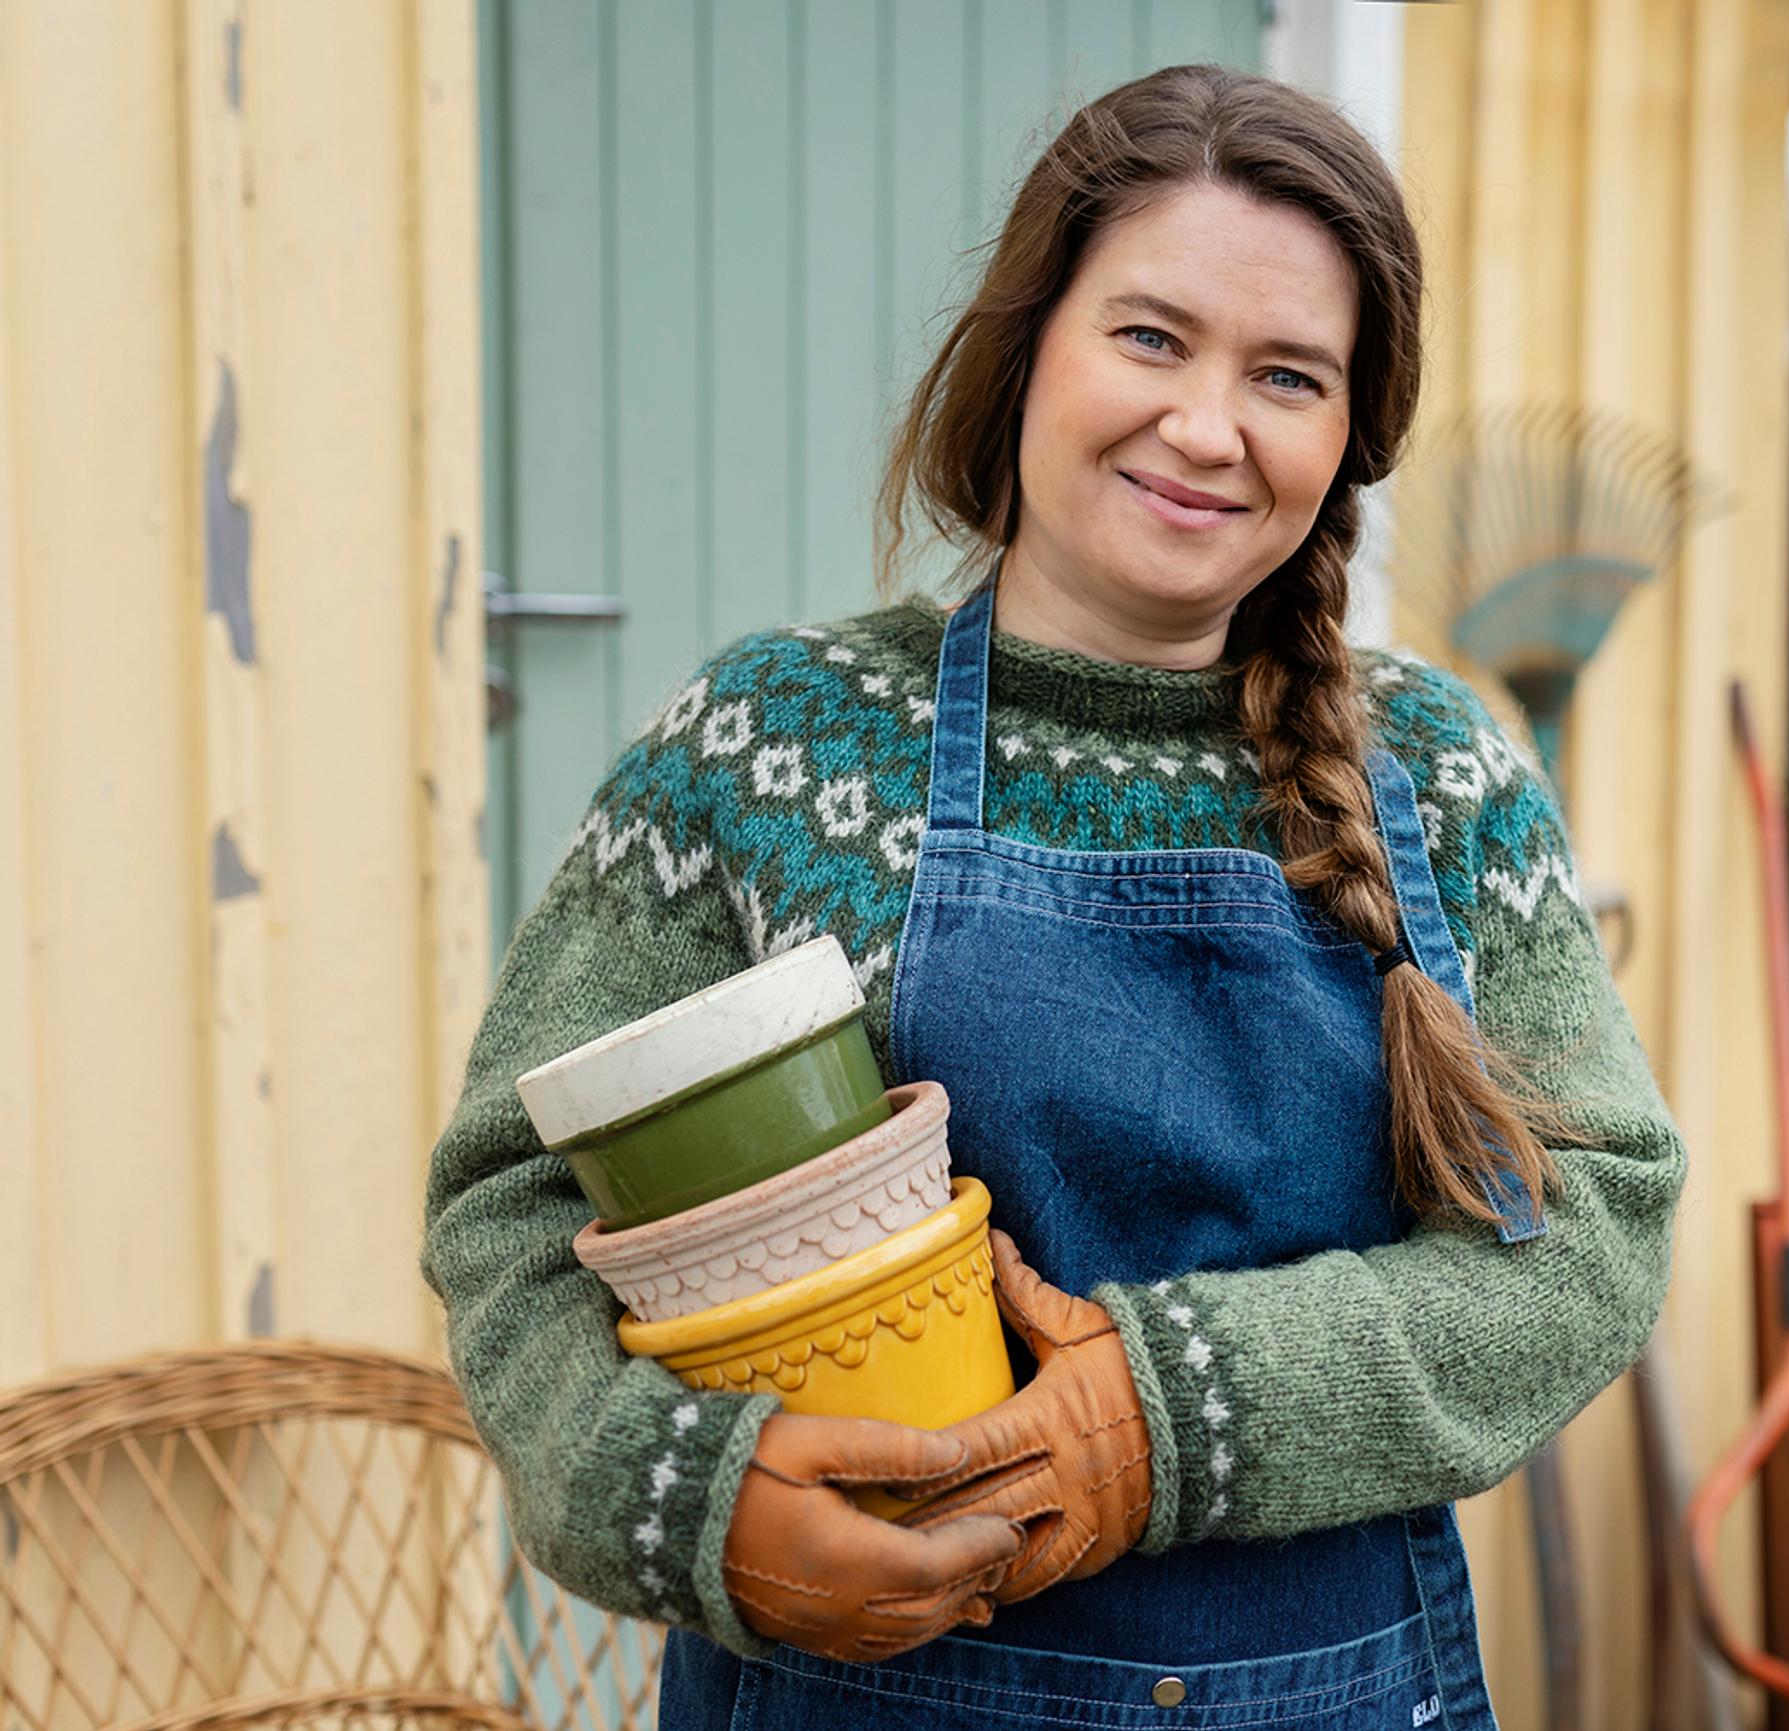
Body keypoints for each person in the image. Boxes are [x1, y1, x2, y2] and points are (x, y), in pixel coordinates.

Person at [422, 63, 1686, 1731]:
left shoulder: (1440, 776)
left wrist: (1170, 1418)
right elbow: (513, 1200)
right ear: (1024, 346)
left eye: (1287, 376)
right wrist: (693, 1502)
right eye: (1149, 338)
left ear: (1343, 441)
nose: (1206, 427)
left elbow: (1592, 1227)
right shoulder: (772, 743)